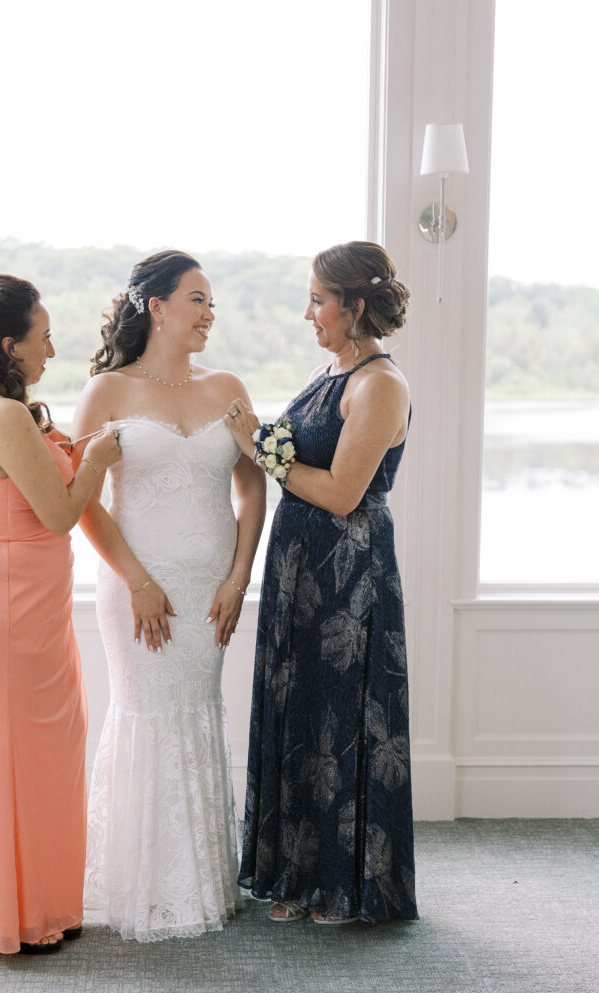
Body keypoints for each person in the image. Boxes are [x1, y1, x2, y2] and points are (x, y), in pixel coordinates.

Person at [71, 250, 266, 941]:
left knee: (194, 711)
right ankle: (139, 886)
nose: (208, 314)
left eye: (211, 303)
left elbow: (251, 487)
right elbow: (83, 503)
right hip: (137, 587)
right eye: (196, 300)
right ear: (154, 306)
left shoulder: (227, 388)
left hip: (211, 588)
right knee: (146, 713)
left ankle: (199, 881)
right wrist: (139, 581)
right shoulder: (107, 392)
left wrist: (239, 578)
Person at [0, 274, 120, 955]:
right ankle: (27, 913)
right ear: (10, 346)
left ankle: (31, 903)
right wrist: (92, 459)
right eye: (43, 339)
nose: (52, 352)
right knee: (31, 755)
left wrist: (52, 451)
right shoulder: (4, 417)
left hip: (3, 596)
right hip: (9, 608)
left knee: (25, 754)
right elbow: (62, 513)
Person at [226, 241, 419, 925]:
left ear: (354, 305)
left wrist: (261, 451)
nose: (307, 312)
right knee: (301, 708)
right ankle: (298, 874)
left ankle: (341, 885)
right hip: (299, 569)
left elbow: (341, 494)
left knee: (340, 713)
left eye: (317, 299)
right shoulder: (331, 369)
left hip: (347, 574)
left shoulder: (379, 385)